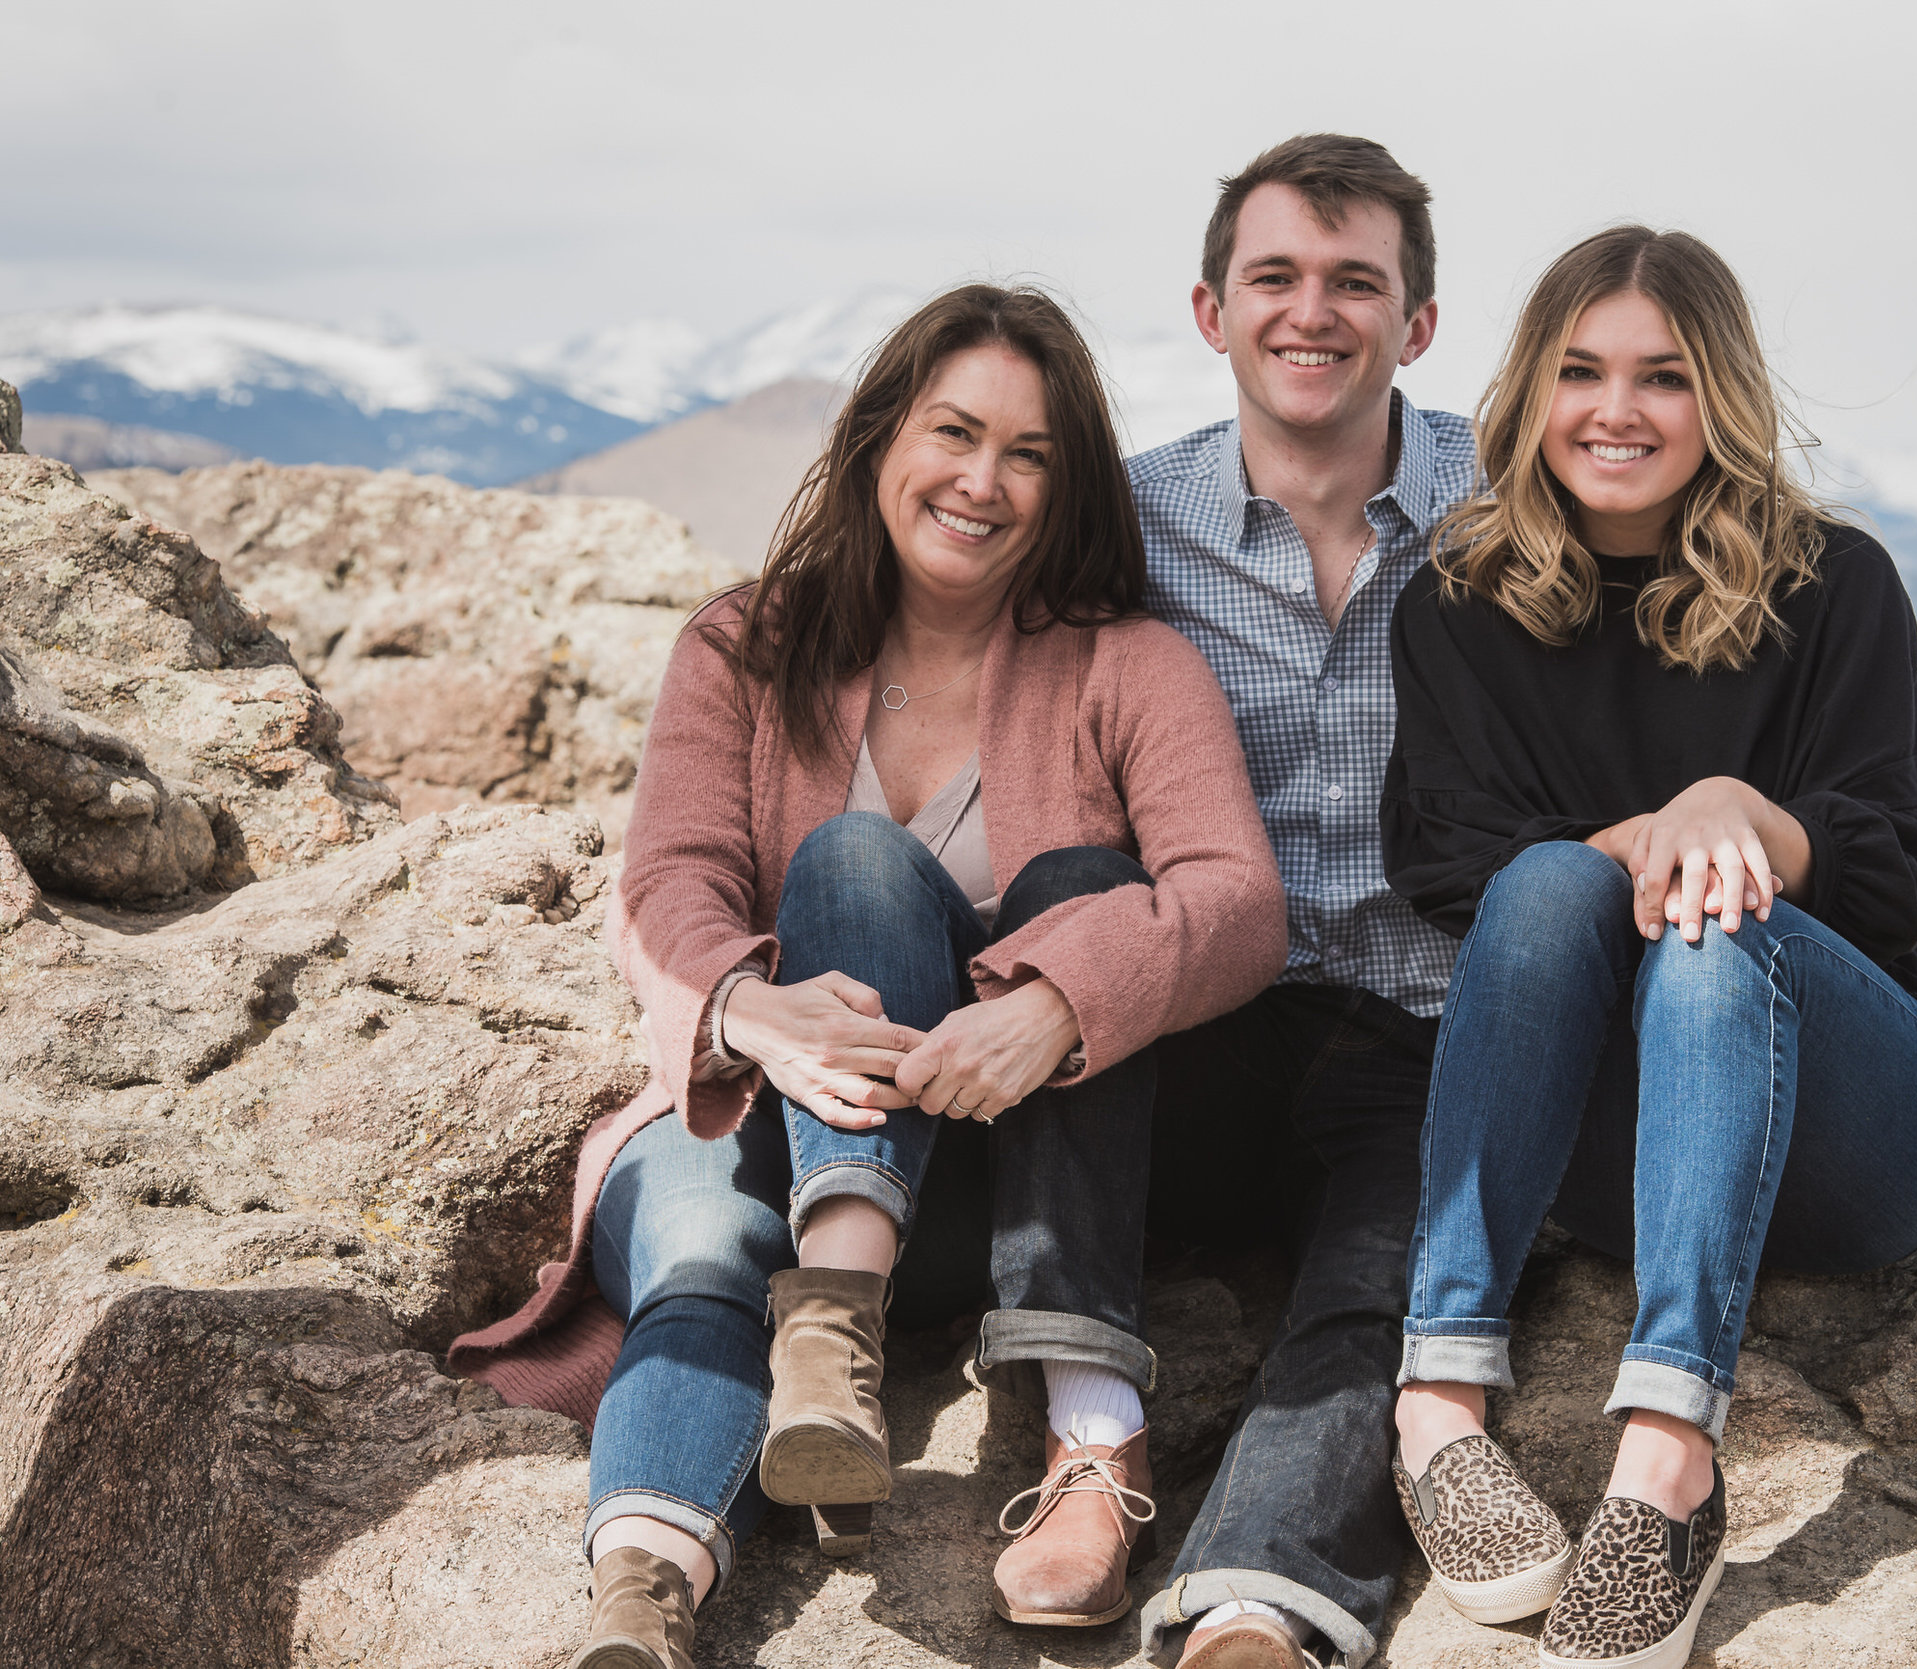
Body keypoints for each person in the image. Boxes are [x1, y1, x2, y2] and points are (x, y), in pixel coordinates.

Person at [447, 284, 1288, 1669]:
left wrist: (1057, 999)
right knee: (714, 1224)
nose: (984, 479)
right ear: (880, 435)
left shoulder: (1125, 665)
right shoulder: (745, 643)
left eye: (1030, 454)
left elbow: (1235, 899)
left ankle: (857, 1338)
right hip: (762, 1118)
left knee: (946, 882)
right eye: (955, 431)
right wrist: (745, 1005)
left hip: (986, 1165)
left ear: (1067, 487)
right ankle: (642, 1601)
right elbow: (667, 882)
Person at [1380, 226, 1917, 1669]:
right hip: (1624, 1149)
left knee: (1722, 923)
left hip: (1876, 1131)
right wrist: (1645, 842)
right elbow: (1446, 860)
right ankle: (1439, 1405)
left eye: (1664, 376)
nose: (1618, 410)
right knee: (1544, 884)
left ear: (1720, 395)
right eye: (1582, 370)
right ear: (1532, 389)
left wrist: (1746, 824)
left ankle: (1669, 1464)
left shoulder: (1834, 585)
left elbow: (1910, 873)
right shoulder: (1459, 608)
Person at [1124, 134, 1479, 1669]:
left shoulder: (1514, 506)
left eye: (1357, 282)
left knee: (1377, 1286)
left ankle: (1254, 1611)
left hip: (1426, 1029)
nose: (1310, 312)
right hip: (1205, 1020)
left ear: (1417, 325)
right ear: (1213, 311)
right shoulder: (1125, 527)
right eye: (1275, 276)